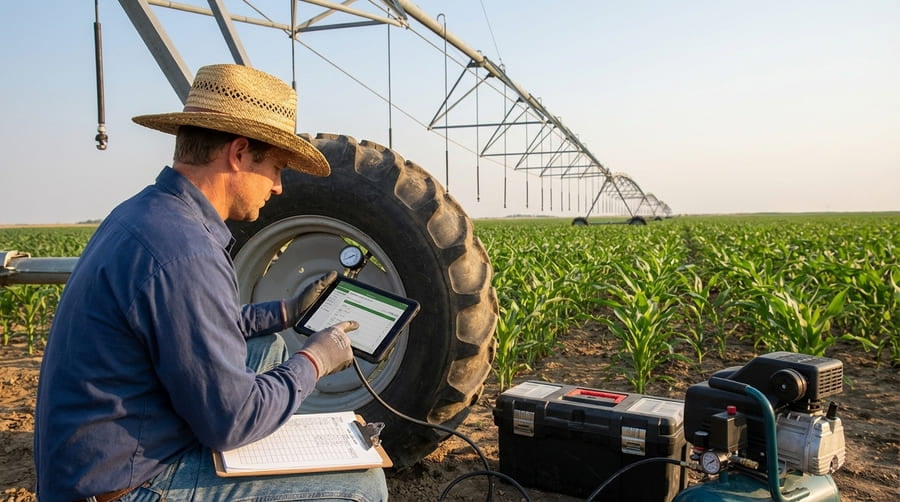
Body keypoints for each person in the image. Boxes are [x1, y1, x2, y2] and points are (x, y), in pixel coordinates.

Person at [33, 64, 389, 502]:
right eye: (276, 168)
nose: (278, 187)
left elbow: (193, 326)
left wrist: (287, 313)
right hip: (119, 487)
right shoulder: (186, 251)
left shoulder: (148, 213)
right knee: (361, 485)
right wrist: (316, 360)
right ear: (239, 154)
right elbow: (230, 422)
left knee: (268, 348)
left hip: (92, 463)